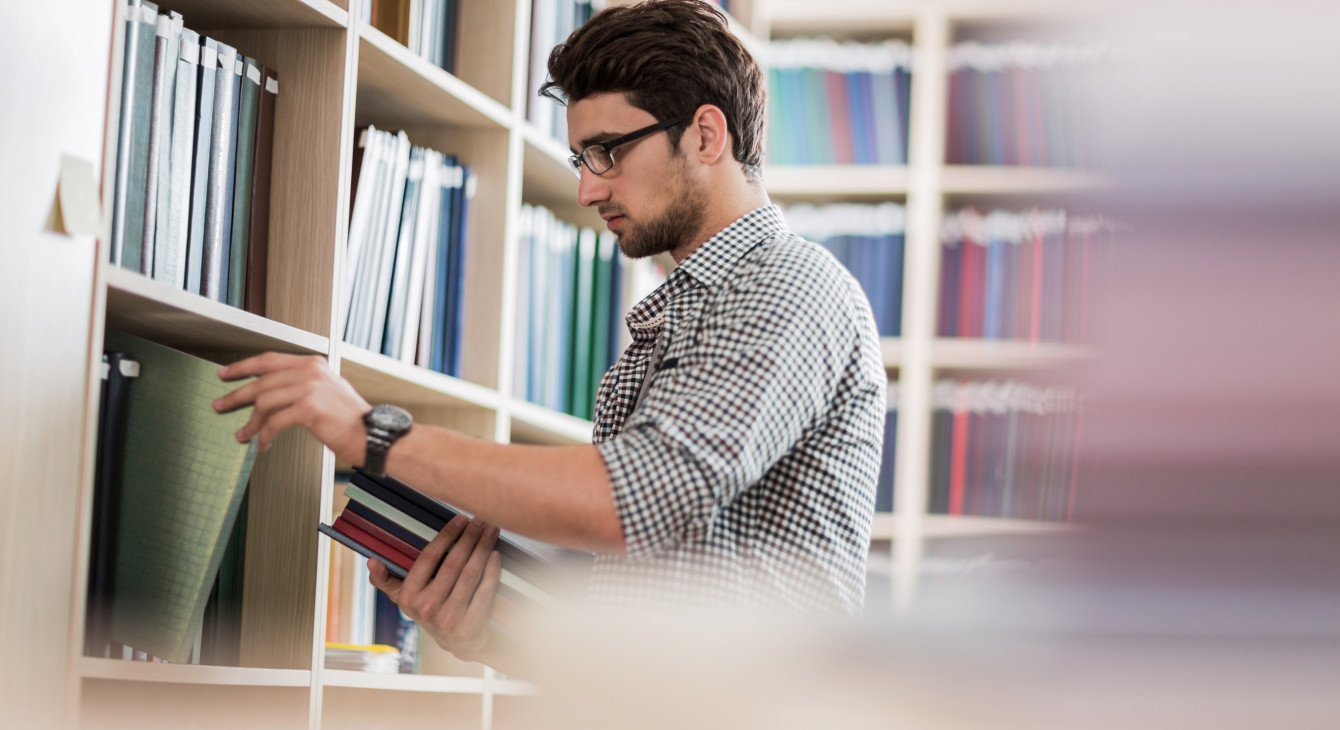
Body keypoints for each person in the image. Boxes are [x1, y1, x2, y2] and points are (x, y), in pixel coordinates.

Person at [213, 0, 885, 670]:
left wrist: (376, 437)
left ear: (708, 135)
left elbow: (631, 500)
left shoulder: (789, 287)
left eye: (607, 153)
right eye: (580, 159)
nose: (589, 191)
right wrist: (488, 632)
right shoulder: (687, 314)